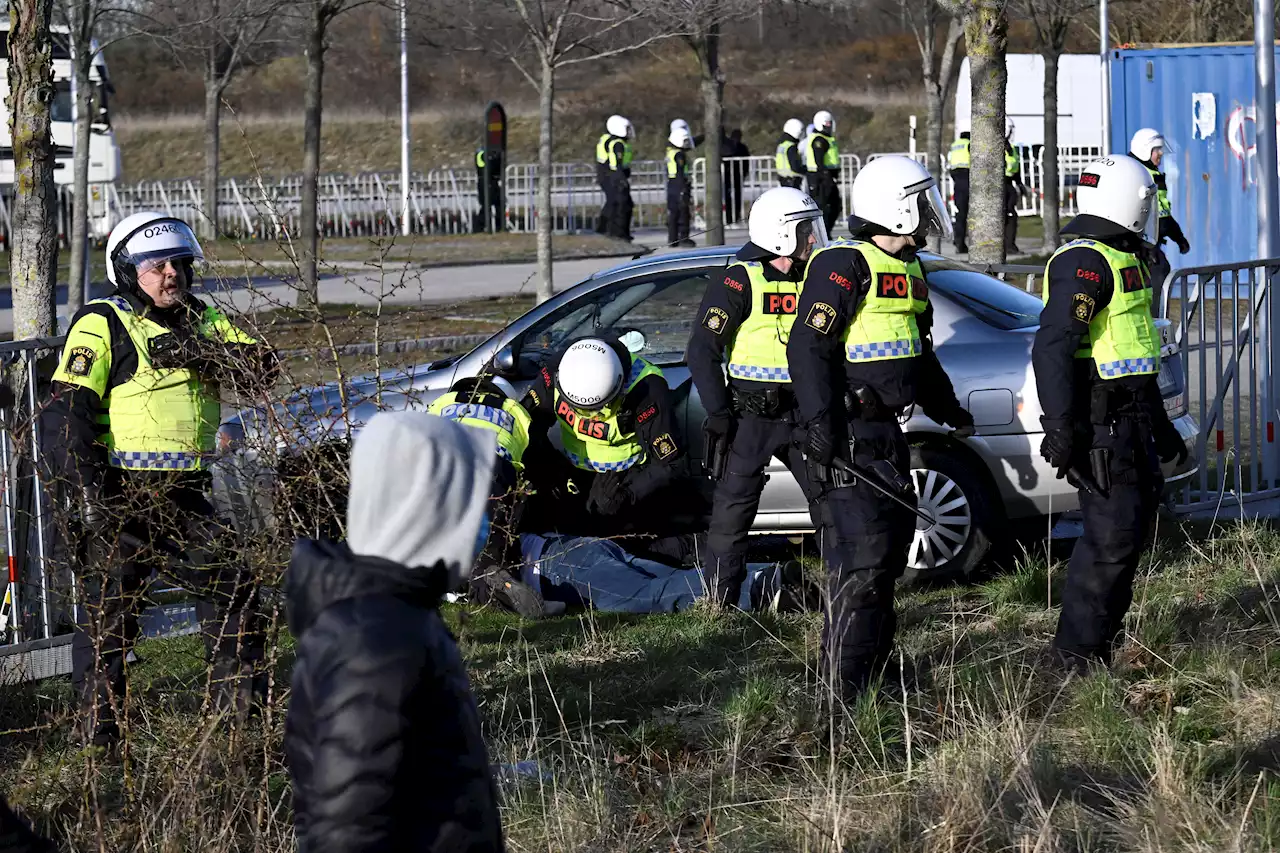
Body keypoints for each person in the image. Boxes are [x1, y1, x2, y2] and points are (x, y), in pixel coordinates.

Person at [42, 211, 274, 748]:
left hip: (186, 494)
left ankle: (239, 722)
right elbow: (66, 413)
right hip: (120, 493)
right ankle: (99, 735)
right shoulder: (104, 321)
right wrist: (85, 494)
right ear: (128, 270)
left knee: (234, 588)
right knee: (109, 618)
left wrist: (199, 350)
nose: (171, 273)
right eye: (156, 264)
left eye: (179, 263)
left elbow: (261, 366)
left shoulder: (201, 317)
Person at [787, 155, 973, 706]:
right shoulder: (843, 264)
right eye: (921, 203)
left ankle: (877, 674)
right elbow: (808, 347)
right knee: (862, 561)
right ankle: (840, 693)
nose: (927, 216)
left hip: (887, 438)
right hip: (847, 437)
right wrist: (821, 423)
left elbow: (920, 353)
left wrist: (948, 409)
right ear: (896, 210)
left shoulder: (911, 270)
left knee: (887, 559)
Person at [285, 412, 505, 852]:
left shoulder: (395, 616)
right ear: (426, 508)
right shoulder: (378, 639)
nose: (481, 520)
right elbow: (348, 827)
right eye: (469, 504)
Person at [1032, 156, 1188, 674]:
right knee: (1109, 540)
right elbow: (1054, 346)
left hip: (1133, 419)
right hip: (1104, 426)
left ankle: (1099, 648)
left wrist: (1162, 429)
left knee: (1130, 535)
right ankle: (1074, 659)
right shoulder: (1086, 263)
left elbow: (1135, 358)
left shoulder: (1123, 258)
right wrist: (1061, 427)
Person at [687, 186, 827, 607]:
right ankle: (720, 606)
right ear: (782, 237)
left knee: (832, 504)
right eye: (806, 232)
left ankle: (843, 592)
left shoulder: (815, 278)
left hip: (805, 413)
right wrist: (718, 412)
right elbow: (702, 350)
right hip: (751, 417)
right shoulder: (738, 280)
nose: (814, 240)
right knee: (732, 515)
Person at [518, 336, 702, 564]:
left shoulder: (646, 389)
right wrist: (553, 472)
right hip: (572, 474)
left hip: (625, 479)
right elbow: (528, 428)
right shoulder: (562, 369)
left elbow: (671, 464)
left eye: (596, 410)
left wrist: (627, 495)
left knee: (625, 550)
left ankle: (695, 547)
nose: (588, 417)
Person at [427, 374, 546, 618]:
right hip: (493, 472)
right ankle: (493, 580)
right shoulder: (515, 413)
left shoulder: (441, 403)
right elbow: (538, 465)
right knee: (491, 548)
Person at [520, 533, 818, 615]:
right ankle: (770, 574)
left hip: (558, 565)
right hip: (567, 548)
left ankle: (759, 589)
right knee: (669, 580)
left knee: (646, 597)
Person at [1129, 128, 1190, 309]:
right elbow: (1161, 217)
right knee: (1158, 272)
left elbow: (1163, 214)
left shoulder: (1144, 171)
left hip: (1144, 242)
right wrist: (1179, 239)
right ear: (1145, 150)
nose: (1161, 154)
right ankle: (1155, 320)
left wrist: (1179, 238)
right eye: (1157, 149)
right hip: (1138, 244)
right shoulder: (1143, 174)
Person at [595, 114, 634, 241]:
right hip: (611, 175)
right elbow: (615, 162)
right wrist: (621, 177)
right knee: (618, 203)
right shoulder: (615, 143)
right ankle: (615, 232)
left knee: (614, 203)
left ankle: (604, 230)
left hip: (610, 174)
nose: (629, 132)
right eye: (626, 129)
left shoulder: (609, 139)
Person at [802, 110, 842, 235]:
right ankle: (822, 234)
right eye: (826, 125)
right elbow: (819, 160)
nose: (828, 128)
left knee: (835, 206)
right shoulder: (819, 140)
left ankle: (826, 232)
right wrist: (826, 176)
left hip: (827, 177)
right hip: (820, 178)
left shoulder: (827, 138)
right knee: (823, 207)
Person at [666, 126, 696, 248]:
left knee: (673, 213)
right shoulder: (679, 155)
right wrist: (684, 188)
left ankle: (672, 239)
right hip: (680, 184)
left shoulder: (670, 152)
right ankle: (684, 238)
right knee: (683, 212)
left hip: (672, 184)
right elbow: (679, 171)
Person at [947, 131, 971, 253]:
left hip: (957, 180)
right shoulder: (969, 144)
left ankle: (959, 243)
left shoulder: (954, 145)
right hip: (968, 178)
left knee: (960, 215)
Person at [474, 146, 504, 233]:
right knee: (487, 205)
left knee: (497, 204)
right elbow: (489, 167)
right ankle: (480, 227)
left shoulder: (483, 153)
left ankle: (498, 226)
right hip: (486, 181)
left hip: (490, 181)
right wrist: (497, 158)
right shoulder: (481, 154)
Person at [1004, 122, 1024, 254]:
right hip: (1000, 185)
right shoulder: (1000, 147)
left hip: (1009, 184)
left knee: (1010, 215)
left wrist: (1020, 183)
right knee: (1008, 216)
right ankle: (1008, 245)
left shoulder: (1011, 149)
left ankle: (1009, 245)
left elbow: (1015, 168)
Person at [775, 118, 806, 189]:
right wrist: (805, 170)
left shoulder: (782, 145)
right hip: (792, 182)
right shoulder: (791, 147)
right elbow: (795, 167)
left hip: (783, 180)